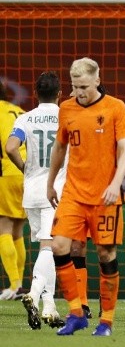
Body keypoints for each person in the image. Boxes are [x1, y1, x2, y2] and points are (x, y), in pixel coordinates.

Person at [46, 57, 125, 336]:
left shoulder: (115, 107)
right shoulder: (66, 108)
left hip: (106, 197)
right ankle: (76, 313)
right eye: (75, 87)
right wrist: (50, 183)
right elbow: (60, 147)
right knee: (60, 246)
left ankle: (106, 321)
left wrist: (115, 184)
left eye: (84, 86)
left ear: (97, 80)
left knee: (106, 254)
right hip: (73, 193)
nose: (79, 92)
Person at [5, 72, 67, 330]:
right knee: (49, 248)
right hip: (56, 191)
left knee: (46, 249)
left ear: (35, 93)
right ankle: (33, 292)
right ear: (60, 93)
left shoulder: (25, 118)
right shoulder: (66, 117)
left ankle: (49, 307)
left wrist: (25, 169)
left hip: (31, 190)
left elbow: (10, 147)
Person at [0, 79, 27, 301]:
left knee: (3, 228)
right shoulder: (19, 111)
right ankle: (18, 284)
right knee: (17, 230)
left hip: (6, 172)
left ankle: (14, 284)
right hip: (26, 171)